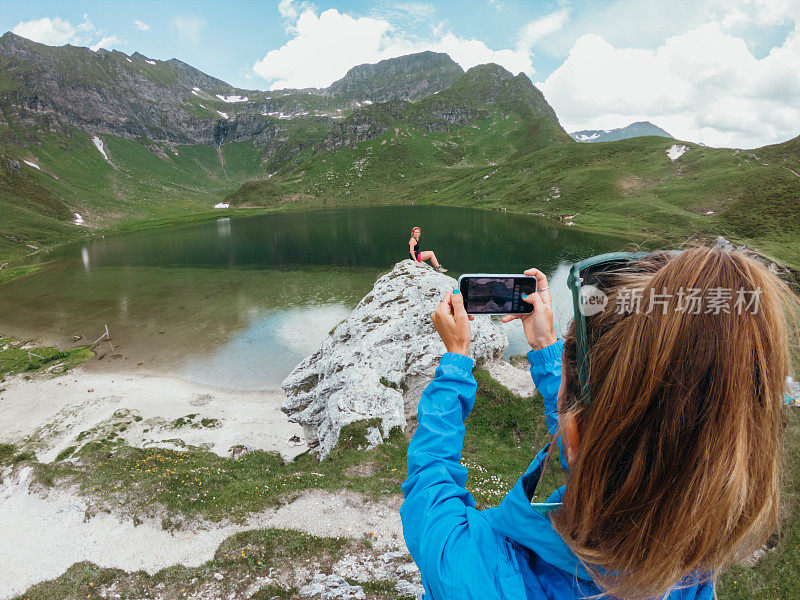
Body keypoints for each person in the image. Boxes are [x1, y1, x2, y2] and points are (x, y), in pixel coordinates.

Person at [401, 246, 797, 600]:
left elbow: (430, 484)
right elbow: (604, 436)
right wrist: (545, 347)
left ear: (572, 432)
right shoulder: (689, 576)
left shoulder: (470, 571)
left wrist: (455, 361)